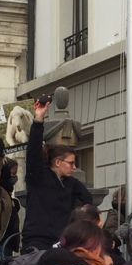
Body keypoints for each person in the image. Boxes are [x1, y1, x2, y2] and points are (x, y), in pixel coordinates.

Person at [21, 98, 93, 251]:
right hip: (37, 241)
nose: (74, 167)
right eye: (71, 163)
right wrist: (38, 120)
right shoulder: (39, 176)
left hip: (61, 241)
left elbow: (88, 199)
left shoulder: (71, 183)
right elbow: (33, 151)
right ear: (58, 162)